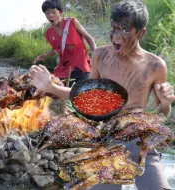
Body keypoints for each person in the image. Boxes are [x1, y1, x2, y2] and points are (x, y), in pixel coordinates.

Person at [30, 0, 175, 190]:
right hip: (106, 142)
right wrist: (50, 87)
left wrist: (165, 102)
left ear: (141, 33)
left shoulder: (155, 66)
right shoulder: (100, 56)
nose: (116, 36)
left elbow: (161, 115)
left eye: (124, 30)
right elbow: (87, 98)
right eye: (114, 28)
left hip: (140, 142)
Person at [33, 0, 97, 87]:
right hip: (64, 70)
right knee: (58, 93)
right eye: (47, 13)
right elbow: (56, 49)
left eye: (53, 12)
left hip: (82, 66)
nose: (50, 15)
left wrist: (97, 55)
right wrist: (45, 56)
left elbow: (89, 38)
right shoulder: (49, 33)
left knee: (82, 93)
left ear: (60, 12)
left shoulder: (72, 22)